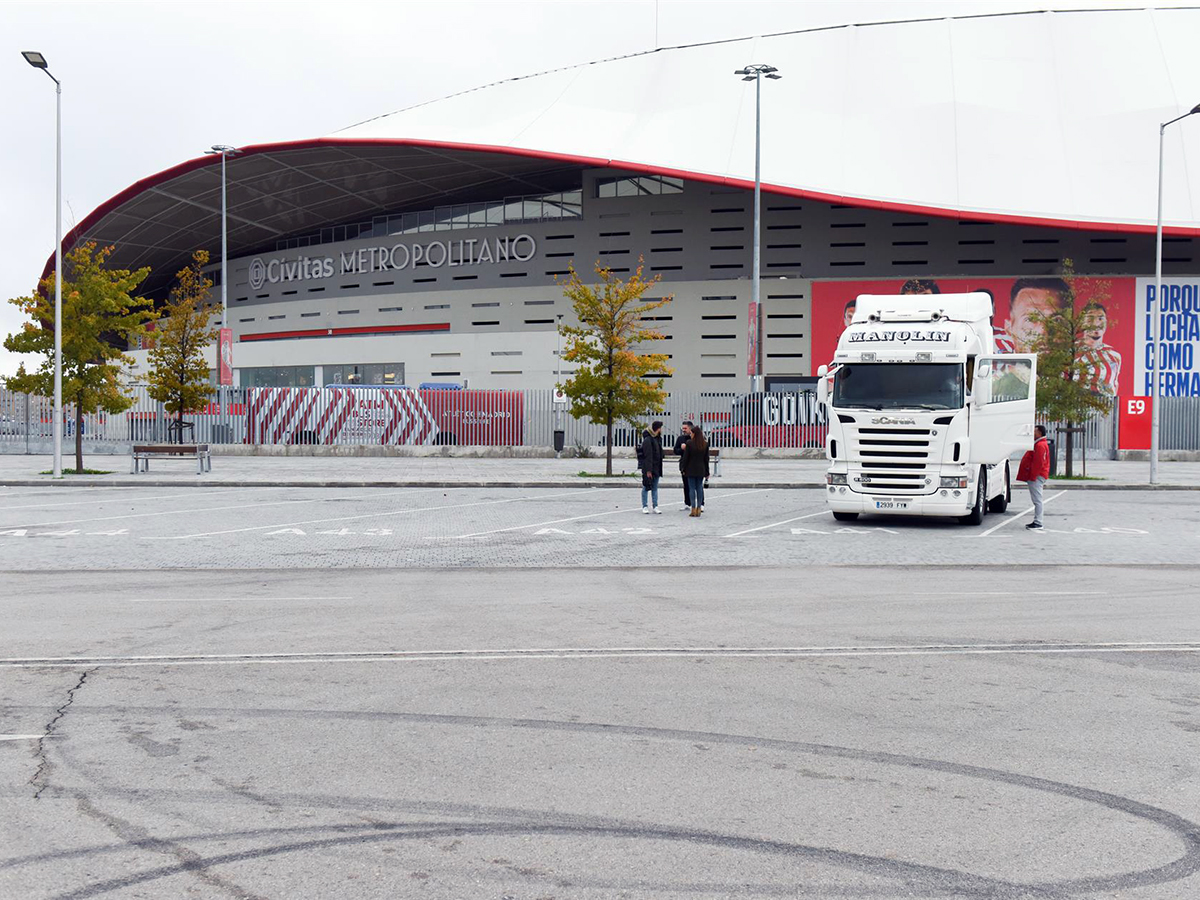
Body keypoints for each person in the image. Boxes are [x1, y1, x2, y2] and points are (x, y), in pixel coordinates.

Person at [1003, 277, 1070, 353]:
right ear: (1009, 329)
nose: (1043, 331)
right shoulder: (990, 365)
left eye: (1056, 320)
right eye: (1031, 319)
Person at [1077, 302, 1122, 396]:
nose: (1096, 323)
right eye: (1090, 319)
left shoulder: (1114, 356)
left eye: (1100, 318)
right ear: (1082, 322)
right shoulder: (1071, 352)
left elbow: (1114, 384)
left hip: (1105, 407)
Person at [1017, 424, 1051, 530]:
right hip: (1038, 475)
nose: (1033, 433)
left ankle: (1038, 522)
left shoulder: (1040, 445)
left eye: (1035, 431)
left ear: (1039, 433)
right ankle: (1037, 521)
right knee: (1037, 499)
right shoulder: (1040, 444)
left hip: (1037, 476)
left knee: (1037, 500)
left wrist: (1033, 476)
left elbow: (1038, 463)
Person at [680, 423, 710, 517]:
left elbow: (686, 457)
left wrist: (682, 468)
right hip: (701, 469)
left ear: (694, 434)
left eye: (692, 433)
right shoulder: (705, 444)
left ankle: (693, 509)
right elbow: (706, 459)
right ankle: (699, 508)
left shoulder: (689, 443)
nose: (691, 435)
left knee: (692, 488)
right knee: (699, 488)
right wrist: (707, 471)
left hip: (690, 469)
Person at [638, 420, 664, 514]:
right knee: (646, 486)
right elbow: (648, 456)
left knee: (655, 487)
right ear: (657, 429)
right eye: (660, 428)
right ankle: (644, 506)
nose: (661, 430)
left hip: (657, 467)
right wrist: (648, 470)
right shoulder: (648, 440)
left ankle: (655, 506)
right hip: (649, 467)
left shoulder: (657, 439)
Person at [672, 420, 694, 510]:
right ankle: (687, 503)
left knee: (696, 485)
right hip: (684, 465)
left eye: (685, 428)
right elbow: (675, 450)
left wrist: (688, 448)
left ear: (690, 428)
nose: (683, 430)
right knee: (686, 484)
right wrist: (681, 449)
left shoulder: (695, 438)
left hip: (694, 464)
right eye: (683, 428)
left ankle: (700, 503)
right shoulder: (680, 438)